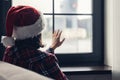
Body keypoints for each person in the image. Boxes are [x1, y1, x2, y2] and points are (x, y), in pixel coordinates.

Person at [1, 5, 68, 80]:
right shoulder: (47, 60)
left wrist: (52, 48)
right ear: (38, 32)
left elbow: (33, 57)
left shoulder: (9, 52)